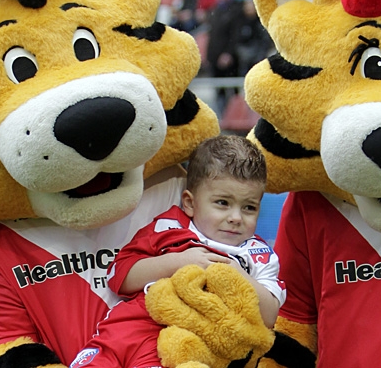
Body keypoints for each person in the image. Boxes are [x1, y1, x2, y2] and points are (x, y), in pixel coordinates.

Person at [71, 135, 285, 368]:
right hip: (129, 326)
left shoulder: (257, 254)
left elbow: (270, 315)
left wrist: (235, 274)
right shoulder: (169, 226)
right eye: (223, 203)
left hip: (180, 346)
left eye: (249, 207)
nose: (235, 218)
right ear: (190, 203)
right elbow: (118, 277)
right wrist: (178, 261)